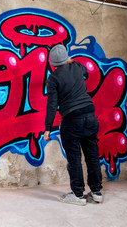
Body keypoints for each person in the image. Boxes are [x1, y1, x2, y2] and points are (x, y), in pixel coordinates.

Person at [44, 44, 103, 206]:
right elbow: (87, 72)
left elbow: (52, 105)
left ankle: (78, 195)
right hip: (90, 116)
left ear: (52, 63)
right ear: (67, 58)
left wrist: (47, 128)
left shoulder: (53, 78)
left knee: (74, 158)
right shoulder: (77, 67)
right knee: (92, 155)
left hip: (72, 120)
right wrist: (71, 61)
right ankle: (96, 192)